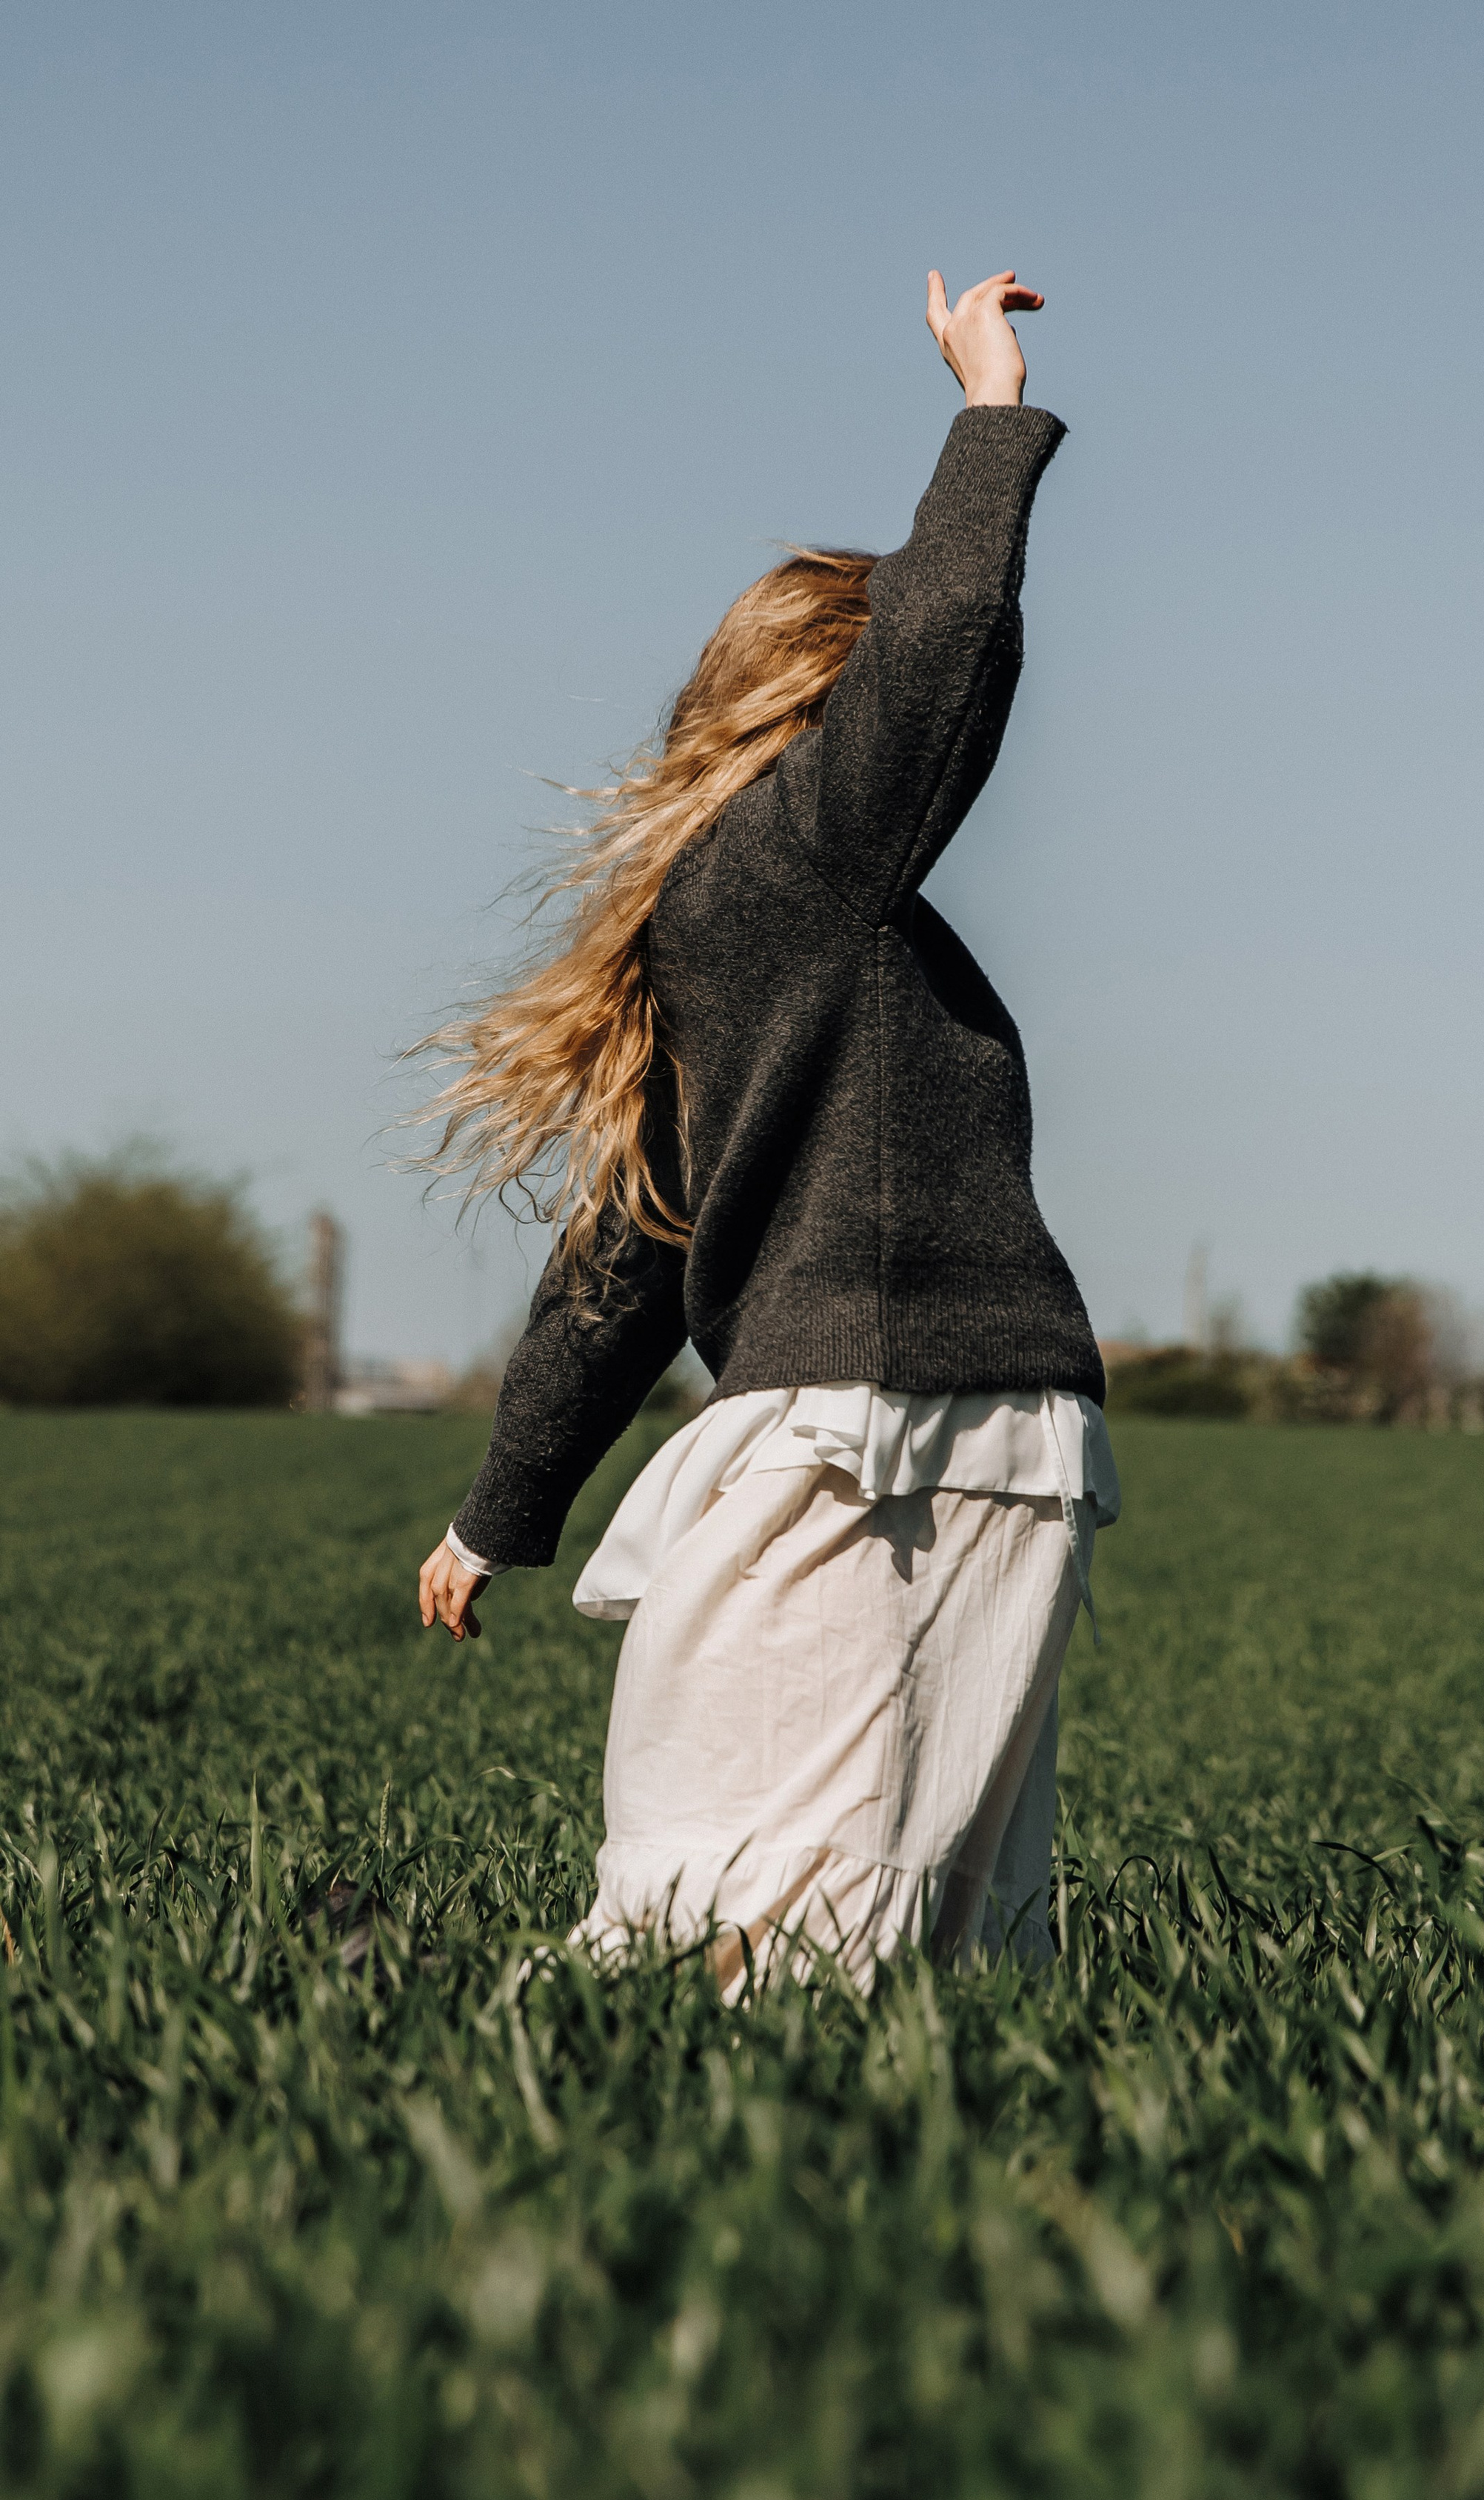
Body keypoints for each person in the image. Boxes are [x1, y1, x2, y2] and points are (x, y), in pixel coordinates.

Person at [415, 267, 1117, 1991]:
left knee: (788, 1913)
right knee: (827, 1916)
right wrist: (984, 416)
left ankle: (603, 2114)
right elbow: (635, 1247)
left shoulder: (762, 915)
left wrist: (502, 1508)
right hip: (880, 1427)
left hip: (909, 1425)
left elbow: (622, 1251)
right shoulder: (784, 879)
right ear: (829, 712)